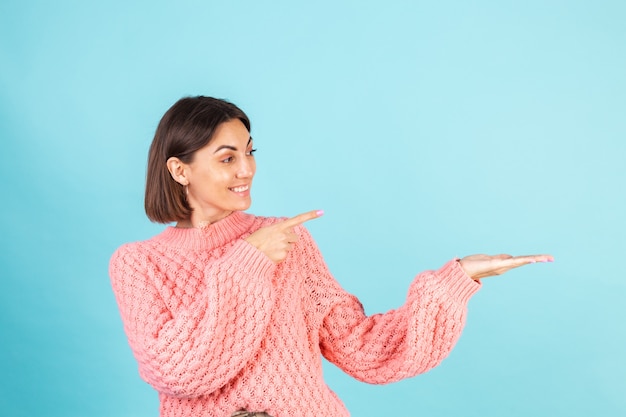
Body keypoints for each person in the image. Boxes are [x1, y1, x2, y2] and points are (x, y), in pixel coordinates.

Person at [109, 96, 553, 417]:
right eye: (227, 159)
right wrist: (247, 260)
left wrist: (453, 280)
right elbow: (177, 371)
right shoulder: (137, 264)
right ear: (179, 169)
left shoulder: (287, 239)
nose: (247, 169)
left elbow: (360, 347)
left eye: (249, 152)